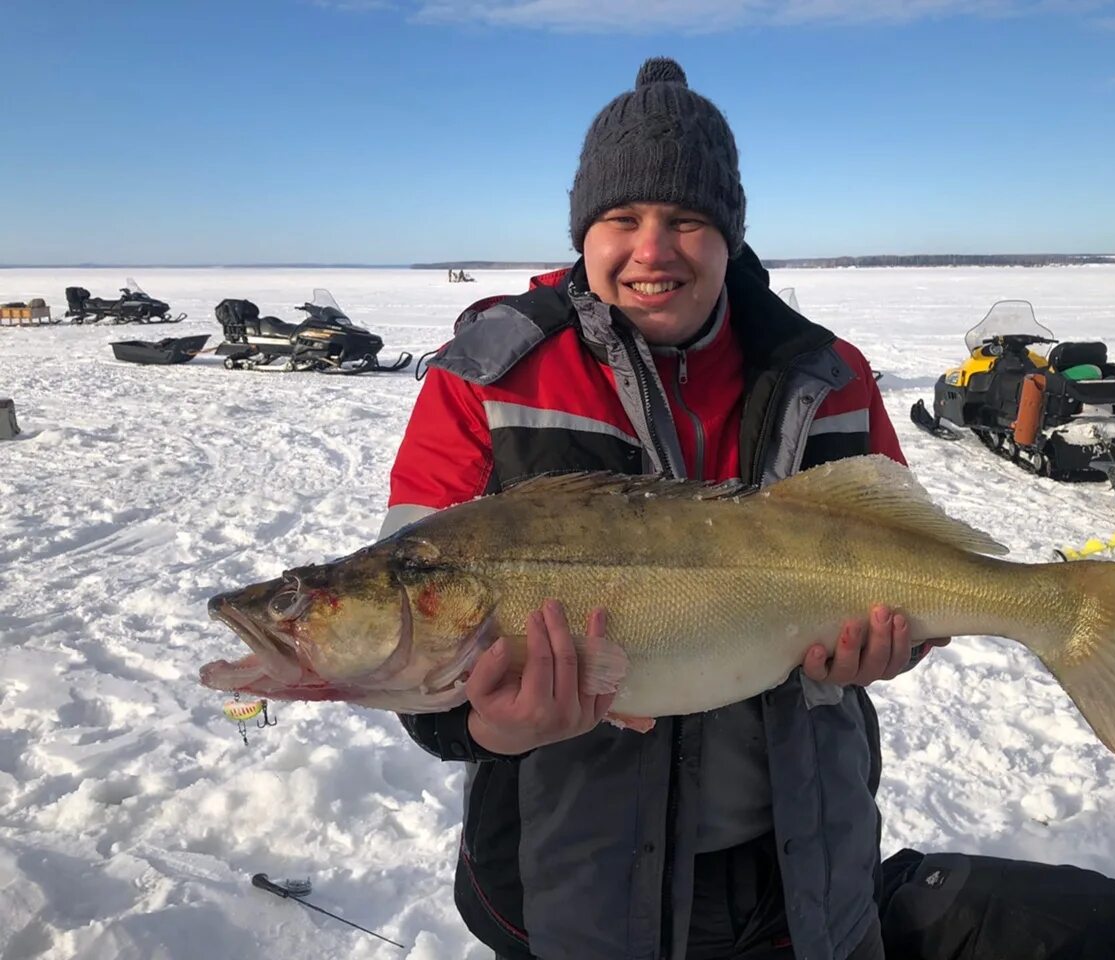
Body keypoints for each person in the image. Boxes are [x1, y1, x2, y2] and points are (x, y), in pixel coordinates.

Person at [382, 56, 924, 960]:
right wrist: (480, 726)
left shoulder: (830, 375)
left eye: (688, 219)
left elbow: (907, 558)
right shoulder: (487, 373)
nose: (653, 249)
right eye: (622, 219)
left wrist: (899, 640)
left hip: (810, 865)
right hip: (577, 878)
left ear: (731, 236)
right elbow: (409, 612)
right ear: (583, 231)